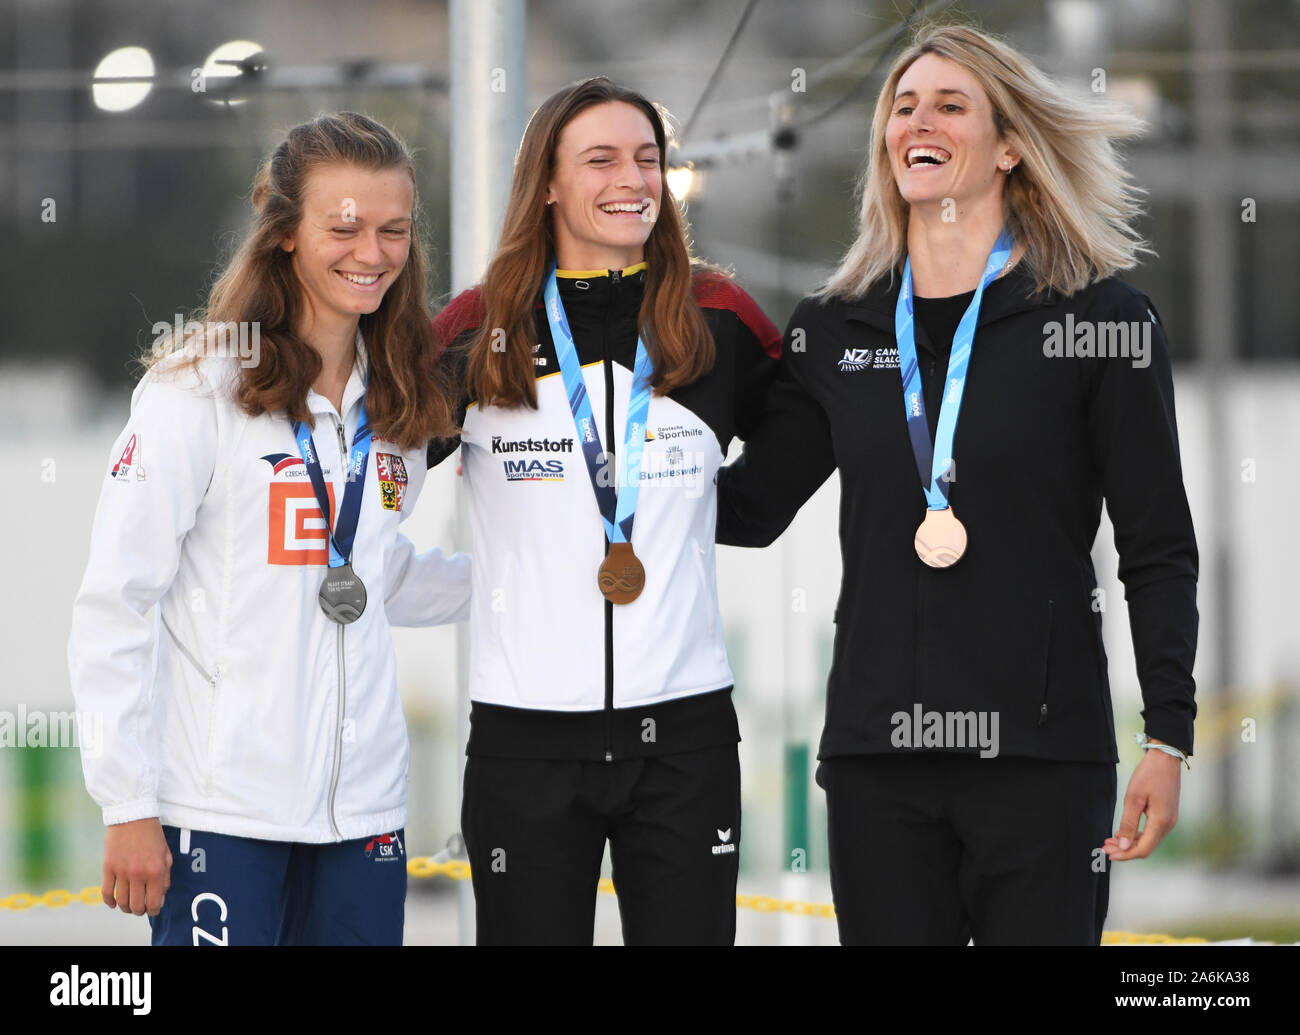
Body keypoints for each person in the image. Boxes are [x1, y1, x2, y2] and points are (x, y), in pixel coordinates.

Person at [716, 23, 1198, 945]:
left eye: (949, 105)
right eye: (903, 106)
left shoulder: (1100, 321)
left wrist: (1167, 735)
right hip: (876, 761)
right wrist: (632, 438)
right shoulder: (837, 325)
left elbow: (1158, 547)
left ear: (1010, 144)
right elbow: (749, 508)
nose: (917, 122)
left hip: (1043, 758)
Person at [67, 112, 471, 946]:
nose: (372, 252)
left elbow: (373, 570)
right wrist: (127, 802)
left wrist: (522, 585)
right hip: (221, 813)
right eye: (345, 226)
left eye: (393, 229)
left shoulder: (398, 405)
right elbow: (118, 601)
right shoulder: (197, 388)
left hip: (362, 812)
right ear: (286, 234)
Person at [429, 77, 781, 945]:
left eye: (649, 158)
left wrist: (702, 511)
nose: (635, 177)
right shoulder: (481, 327)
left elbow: (796, 454)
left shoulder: (716, 314)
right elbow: (376, 457)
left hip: (686, 740)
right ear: (546, 182)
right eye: (602, 158)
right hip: (526, 743)